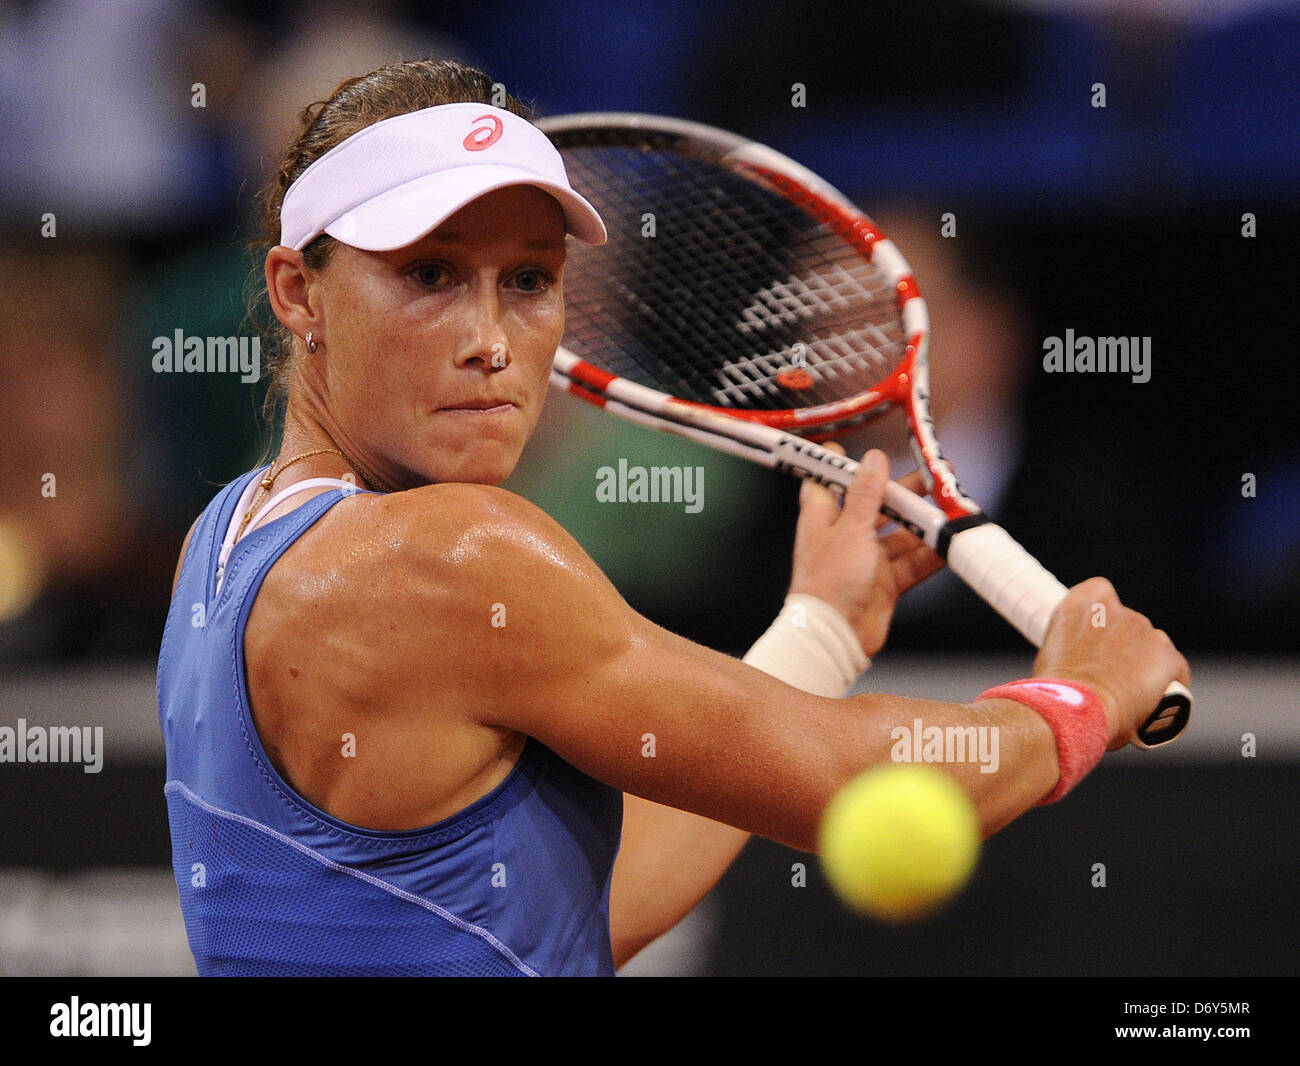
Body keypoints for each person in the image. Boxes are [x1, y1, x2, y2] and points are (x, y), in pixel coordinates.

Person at [157, 58, 1190, 976]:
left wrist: (817, 629)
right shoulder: (458, 556)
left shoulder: (219, 544)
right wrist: (1078, 699)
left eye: (528, 281)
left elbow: (559, 926)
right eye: (428, 275)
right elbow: (845, 778)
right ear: (297, 293)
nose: (491, 339)